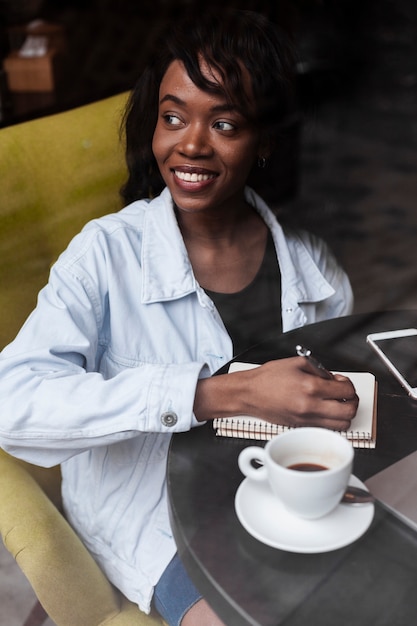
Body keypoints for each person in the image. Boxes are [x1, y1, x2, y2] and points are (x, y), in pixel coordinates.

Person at [0, 8, 358, 626]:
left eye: (224, 122)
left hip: (288, 496)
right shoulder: (106, 253)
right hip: (163, 527)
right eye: (173, 117)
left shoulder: (311, 266)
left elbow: (339, 397)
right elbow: (14, 402)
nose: (190, 143)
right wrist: (215, 393)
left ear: (264, 140)